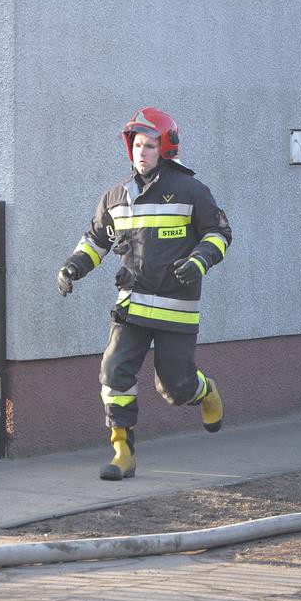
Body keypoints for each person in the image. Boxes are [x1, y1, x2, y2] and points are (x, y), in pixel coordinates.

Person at [57, 107, 232, 481]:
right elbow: (95, 240)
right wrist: (74, 265)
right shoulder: (116, 196)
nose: (142, 152)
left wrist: (198, 262)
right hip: (131, 305)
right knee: (113, 371)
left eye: (150, 145)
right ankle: (123, 451)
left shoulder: (191, 190)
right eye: (137, 145)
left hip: (175, 307)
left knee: (174, 388)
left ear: (165, 148)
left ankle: (204, 391)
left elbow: (219, 234)